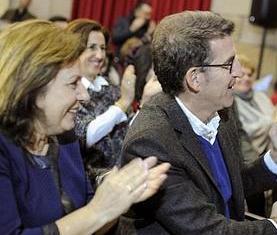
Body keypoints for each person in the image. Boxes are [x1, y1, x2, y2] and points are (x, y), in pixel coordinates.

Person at [120, 11, 277, 234]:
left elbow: (231, 185)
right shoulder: (151, 142)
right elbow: (205, 228)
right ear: (195, 78)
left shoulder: (222, 109)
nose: (238, 72)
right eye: (229, 64)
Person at [0, 20, 170, 234]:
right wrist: (99, 210)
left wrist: (121, 196)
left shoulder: (64, 138)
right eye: (73, 83)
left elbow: (91, 223)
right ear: (33, 89)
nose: (85, 95)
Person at [67, 19, 138, 186]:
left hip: (120, 178)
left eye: (103, 48)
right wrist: (123, 102)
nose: (99, 56)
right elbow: (85, 136)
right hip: (87, 181)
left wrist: (146, 103)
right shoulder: (68, 90)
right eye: (92, 47)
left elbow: (130, 130)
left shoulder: (111, 87)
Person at [234, 54, 276, 216]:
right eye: (241, 74)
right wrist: (269, 122)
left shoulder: (260, 96)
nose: (246, 78)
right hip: (246, 159)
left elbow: (276, 119)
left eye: (250, 74)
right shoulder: (229, 101)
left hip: (267, 154)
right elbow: (243, 132)